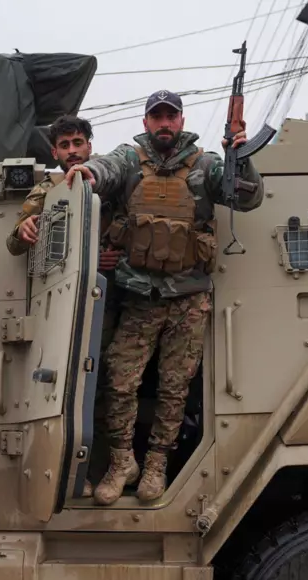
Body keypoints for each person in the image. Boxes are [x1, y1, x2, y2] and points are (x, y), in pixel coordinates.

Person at [65, 90, 264, 505]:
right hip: (140, 297)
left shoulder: (206, 165)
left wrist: (240, 157)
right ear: (145, 124)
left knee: (175, 390)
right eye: (156, 117)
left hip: (188, 300)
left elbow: (246, 198)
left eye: (170, 117)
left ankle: (156, 463)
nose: (164, 124)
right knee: (119, 381)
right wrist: (88, 172)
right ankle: (122, 460)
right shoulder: (130, 158)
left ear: (181, 120)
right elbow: (107, 168)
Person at [7, 114, 122, 498]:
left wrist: (111, 257)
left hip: (114, 299)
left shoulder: (111, 177)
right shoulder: (48, 189)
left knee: (110, 388)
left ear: (90, 144)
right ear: (54, 152)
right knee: (73, 390)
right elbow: (15, 240)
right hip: (66, 305)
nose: (73, 152)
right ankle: (76, 475)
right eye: (65, 146)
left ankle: (110, 471)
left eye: (78, 143)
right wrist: (24, 232)